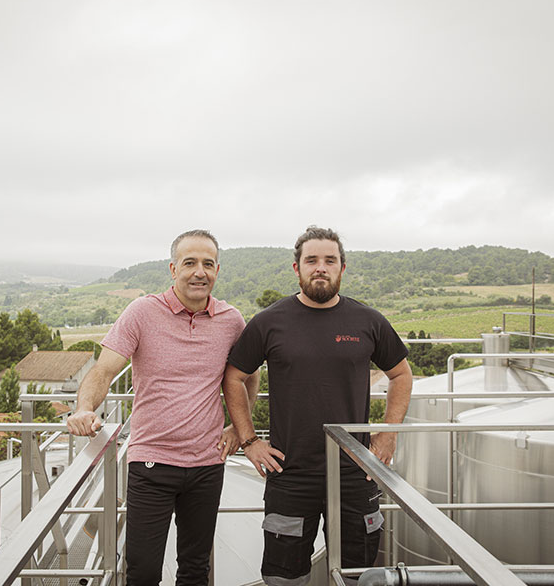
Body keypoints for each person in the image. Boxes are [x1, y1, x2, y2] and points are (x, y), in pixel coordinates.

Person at [223, 226, 413, 586]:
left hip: (355, 471)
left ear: (343, 268)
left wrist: (387, 435)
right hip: (289, 473)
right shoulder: (269, 322)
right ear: (297, 268)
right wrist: (249, 440)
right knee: (284, 577)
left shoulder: (368, 321)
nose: (320, 267)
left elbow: (401, 375)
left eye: (330, 260)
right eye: (311, 260)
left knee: (359, 576)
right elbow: (234, 376)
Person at [67, 229, 258, 586]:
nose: (199, 272)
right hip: (151, 462)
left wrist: (239, 428)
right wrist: (83, 407)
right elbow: (104, 370)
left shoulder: (232, 320)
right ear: (173, 269)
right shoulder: (141, 312)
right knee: (142, 570)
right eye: (189, 263)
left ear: (217, 270)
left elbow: (248, 378)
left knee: (195, 568)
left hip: (207, 463)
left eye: (207, 264)